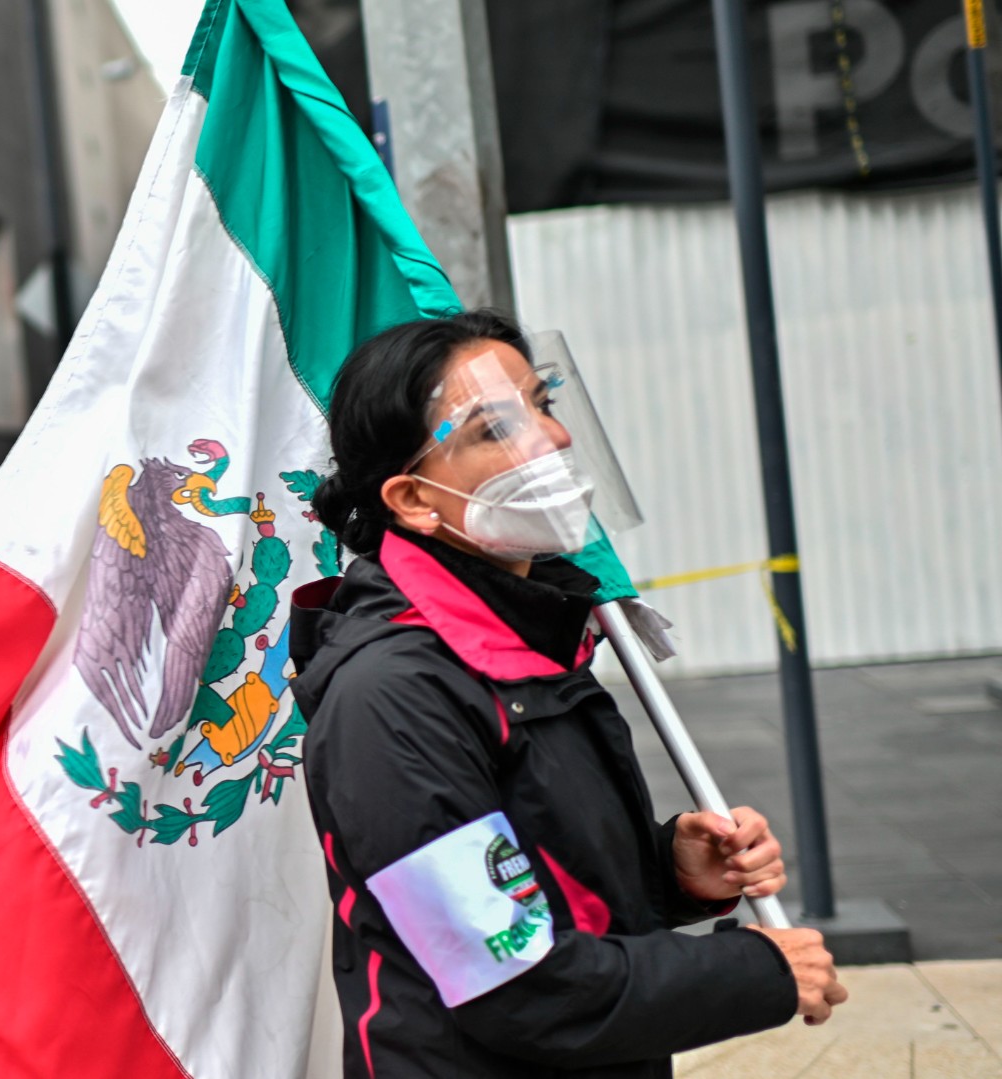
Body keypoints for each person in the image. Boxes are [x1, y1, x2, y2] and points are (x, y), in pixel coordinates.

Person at [290, 310, 846, 1077]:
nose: (550, 442)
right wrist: (756, 971)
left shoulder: (532, 633)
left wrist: (670, 871)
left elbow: (535, 876)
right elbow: (516, 979)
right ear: (412, 500)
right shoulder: (391, 698)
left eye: (543, 406)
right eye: (494, 428)